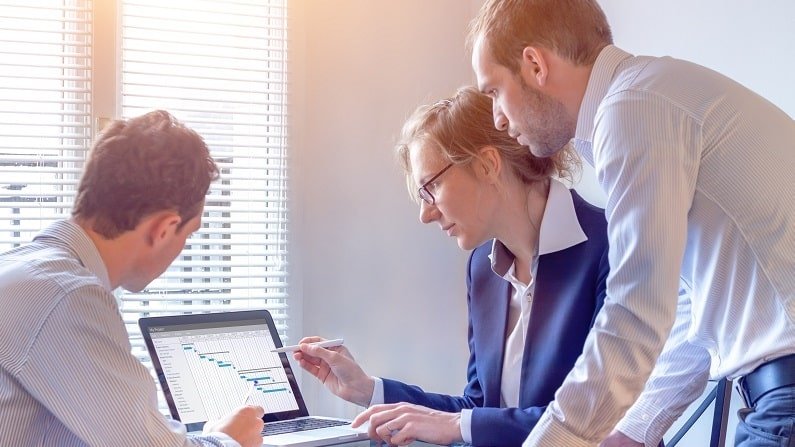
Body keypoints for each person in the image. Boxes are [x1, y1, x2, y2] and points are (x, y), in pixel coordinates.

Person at [468, 1, 795, 446]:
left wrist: (556, 439)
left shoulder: (633, 108)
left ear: (534, 64)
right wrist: (630, 433)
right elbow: (689, 311)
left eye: (494, 93)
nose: (498, 120)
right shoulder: (652, 95)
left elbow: (636, 311)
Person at [293, 85, 611, 446]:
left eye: (431, 187)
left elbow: (600, 420)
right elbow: (478, 408)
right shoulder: (483, 268)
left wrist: (460, 426)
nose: (425, 214)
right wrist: (368, 390)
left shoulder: (611, 247)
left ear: (487, 164)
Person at [0, 110, 265, 447]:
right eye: (189, 232)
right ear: (165, 229)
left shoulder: (24, 271)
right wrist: (228, 440)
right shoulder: (66, 297)